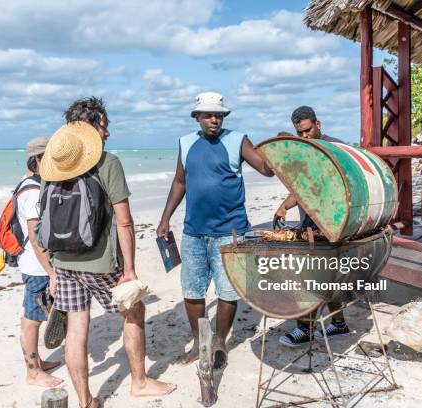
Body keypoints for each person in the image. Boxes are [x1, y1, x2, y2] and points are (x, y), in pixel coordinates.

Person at [42, 97, 176, 408]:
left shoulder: (56, 165)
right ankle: (140, 383)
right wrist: (129, 269)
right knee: (134, 311)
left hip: (63, 260)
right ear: (92, 129)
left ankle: (86, 400)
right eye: (105, 126)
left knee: (76, 328)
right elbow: (125, 220)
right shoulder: (107, 162)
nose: (108, 133)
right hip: (101, 261)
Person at [157, 92, 274, 368]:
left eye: (219, 115)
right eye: (208, 115)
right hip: (194, 232)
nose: (214, 120)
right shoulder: (186, 143)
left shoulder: (238, 140)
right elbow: (179, 182)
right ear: (197, 117)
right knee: (192, 290)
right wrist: (164, 219)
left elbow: (267, 169)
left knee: (228, 291)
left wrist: (279, 151)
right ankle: (200, 343)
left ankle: (219, 340)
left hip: (230, 232)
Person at [274, 106, 350, 348]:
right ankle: (338, 325)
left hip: (332, 226)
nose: (304, 137)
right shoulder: (304, 149)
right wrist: (285, 206)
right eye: (300, 134)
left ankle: (304, 330)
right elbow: (303, 185)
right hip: (310, 225)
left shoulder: (335, 149)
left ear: (318, 124)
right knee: (329, 279)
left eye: (307, 131)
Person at [17, 136, 63, 387]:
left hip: (36, 264)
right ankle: (33, 371)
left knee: (33, 315)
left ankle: (37, 362)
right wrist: (52, 272)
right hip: (37, 267)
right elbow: (36, 239)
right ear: (37, 159)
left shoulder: (29, 182)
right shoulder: (33, 191)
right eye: (51, 157)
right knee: (33, 318)